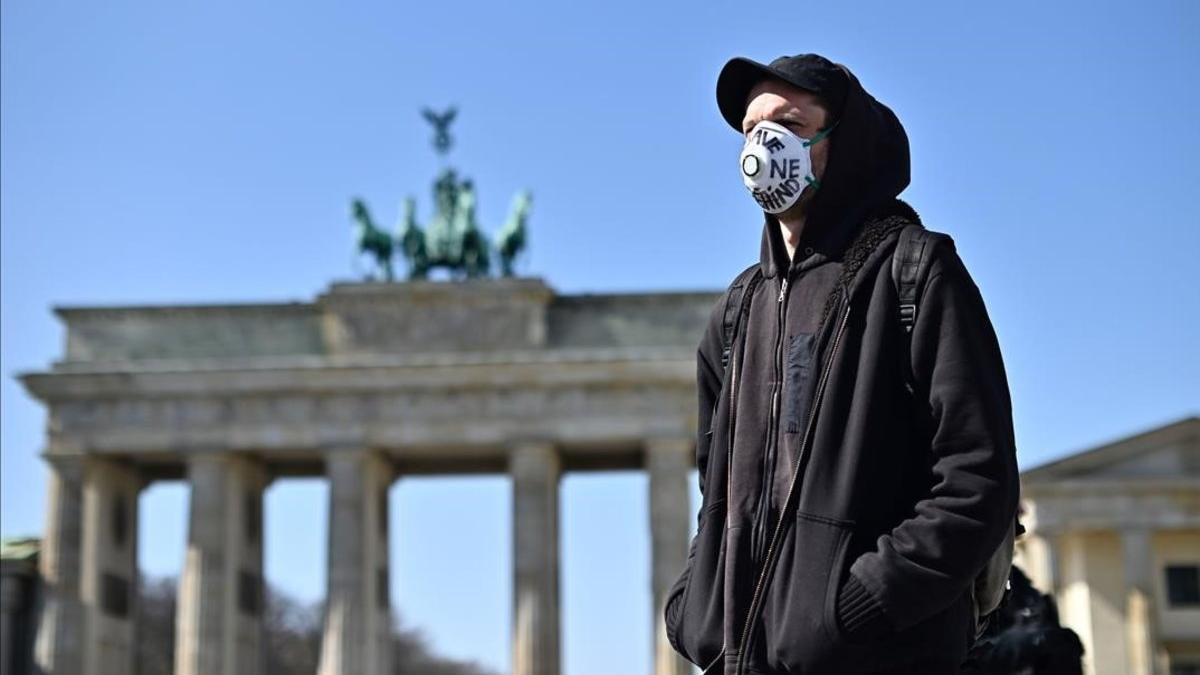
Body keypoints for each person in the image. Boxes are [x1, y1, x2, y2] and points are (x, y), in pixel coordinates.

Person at [662, 53, 1021, 675]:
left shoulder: (915, 272)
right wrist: (694, 607)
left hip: (880, 658)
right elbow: (716, 493)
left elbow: (978, 482)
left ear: (844, 141)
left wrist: (849, 613)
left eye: (790, 126)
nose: (762, 148)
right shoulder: (736, 313)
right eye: (751, 130)